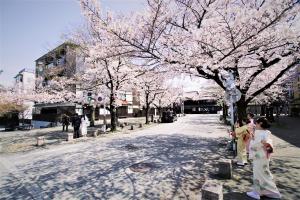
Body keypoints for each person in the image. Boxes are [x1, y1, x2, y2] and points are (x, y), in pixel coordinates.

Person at [247, 117, 281, 200]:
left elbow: (255, 145)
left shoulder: (258, 132)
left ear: (261, 124)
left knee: (258, 174)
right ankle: (270, 191)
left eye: (257, 123)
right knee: (265, 173)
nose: (255, 125)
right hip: (265, 155)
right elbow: (265, 142)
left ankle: (257, 192)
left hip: (259, 156)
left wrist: (251, 139)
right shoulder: (267, 132)